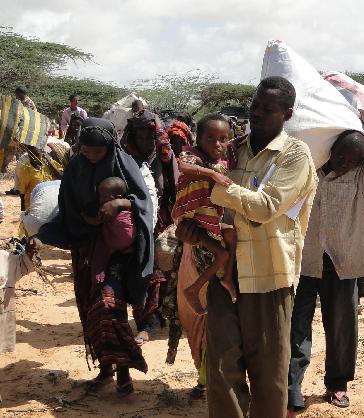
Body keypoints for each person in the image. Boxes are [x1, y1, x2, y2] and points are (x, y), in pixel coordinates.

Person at [176, 76, 317, 418]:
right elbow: (191, 181)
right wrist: (191, 227)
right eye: (255, 106)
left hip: (269, 276)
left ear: (287, 113)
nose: (258, 113)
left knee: (268, 374)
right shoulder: (231, 148)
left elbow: (265, 208)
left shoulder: (294, 155)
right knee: (222, 371)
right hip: (226, 272)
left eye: (268, 109)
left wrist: (215, 184)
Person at [36, 117, 155, 397]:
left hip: (118, 251)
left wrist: (119, 203)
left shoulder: (124, 164)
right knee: (90, 309)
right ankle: (105, 368)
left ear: (110, 148)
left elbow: (143, 202)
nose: (91, 157)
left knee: (110, 307)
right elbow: (67, 206)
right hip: (85, 249)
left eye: (97, 153)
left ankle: (124, 370)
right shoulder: (75, 166)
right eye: (86, 151)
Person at [288, 110, 364, 414]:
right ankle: (292, 385)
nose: (344, 162)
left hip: (343, 262)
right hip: (305, 262)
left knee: (341, 327)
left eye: (351, 159)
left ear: (359, 160)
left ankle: (337, 385)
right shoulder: (310, 169)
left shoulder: (362, 175)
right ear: (330, 150)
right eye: (340, 155)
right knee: (297, 326)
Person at [172, 113, 238, 313]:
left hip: (210, 219)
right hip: (192, 221)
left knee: (231, 235)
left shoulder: (224, 165)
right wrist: (211, 174)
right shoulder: (192, 156)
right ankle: (193, 290)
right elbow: (182, 166)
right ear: (198, 139)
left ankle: (226, 278)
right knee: (221, 253)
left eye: (223, 139)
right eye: (210, 138)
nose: (217, 144)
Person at [122, 109, 177, 340]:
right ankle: (147, 320)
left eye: (149, 138)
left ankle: (155, 318)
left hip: (161, 223)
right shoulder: (127, 161)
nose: (145, 143)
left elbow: (175, 189)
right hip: (137, 224)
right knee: (140, 271)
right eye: (140, 138)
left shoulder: (164, 160)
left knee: (160, 270)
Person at [16, 145, 63, 212]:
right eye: (31, 155)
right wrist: (24, 211)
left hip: (50, 202)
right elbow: (22, 192)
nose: (34, 157)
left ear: (42, 153)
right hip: (34, 205)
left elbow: (61, 177)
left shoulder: (49, 164)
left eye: (37, 154)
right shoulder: (26, 169)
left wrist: (50, 164)